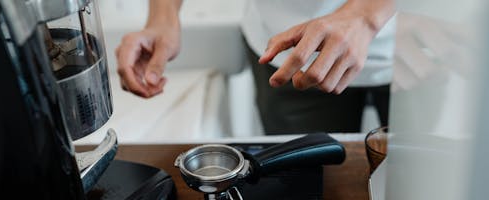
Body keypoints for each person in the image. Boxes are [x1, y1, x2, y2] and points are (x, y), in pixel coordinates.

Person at [116, 0, 396, 134]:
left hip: (413, 48)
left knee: (413, 196)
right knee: (307, 183)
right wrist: (162, 18)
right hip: (289, 54)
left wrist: (364, 15)